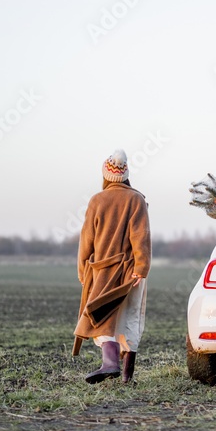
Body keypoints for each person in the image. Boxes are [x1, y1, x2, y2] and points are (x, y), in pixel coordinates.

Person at [72, 149, 151, 385]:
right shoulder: (136, 199)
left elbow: (86, 240)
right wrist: (142, 268)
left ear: (106, 174)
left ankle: (110, 363)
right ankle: (126, 376)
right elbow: (141, 237)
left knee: (101, 314)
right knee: (130, 318)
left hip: (101, 270)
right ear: (126, 174)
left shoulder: (97, 200)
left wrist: (82, 271)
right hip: (130, 271)